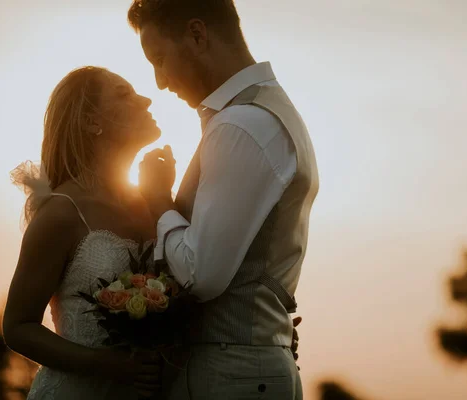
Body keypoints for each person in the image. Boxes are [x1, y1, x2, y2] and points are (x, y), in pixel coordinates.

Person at [129, 0, 320, 398]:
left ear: (198, 35)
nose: (160, 81)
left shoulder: (241, 125)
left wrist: (159, 201)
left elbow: (202, 274)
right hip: (247, 365)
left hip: (231, 372)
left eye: (160, 58)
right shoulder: (267, 112)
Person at [3, 66, 164, 399]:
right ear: (92, 122)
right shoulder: (62, 212)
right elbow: (18, 327)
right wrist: (108, 365)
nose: (147, 100)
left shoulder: (157, 203)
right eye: (124, 94)